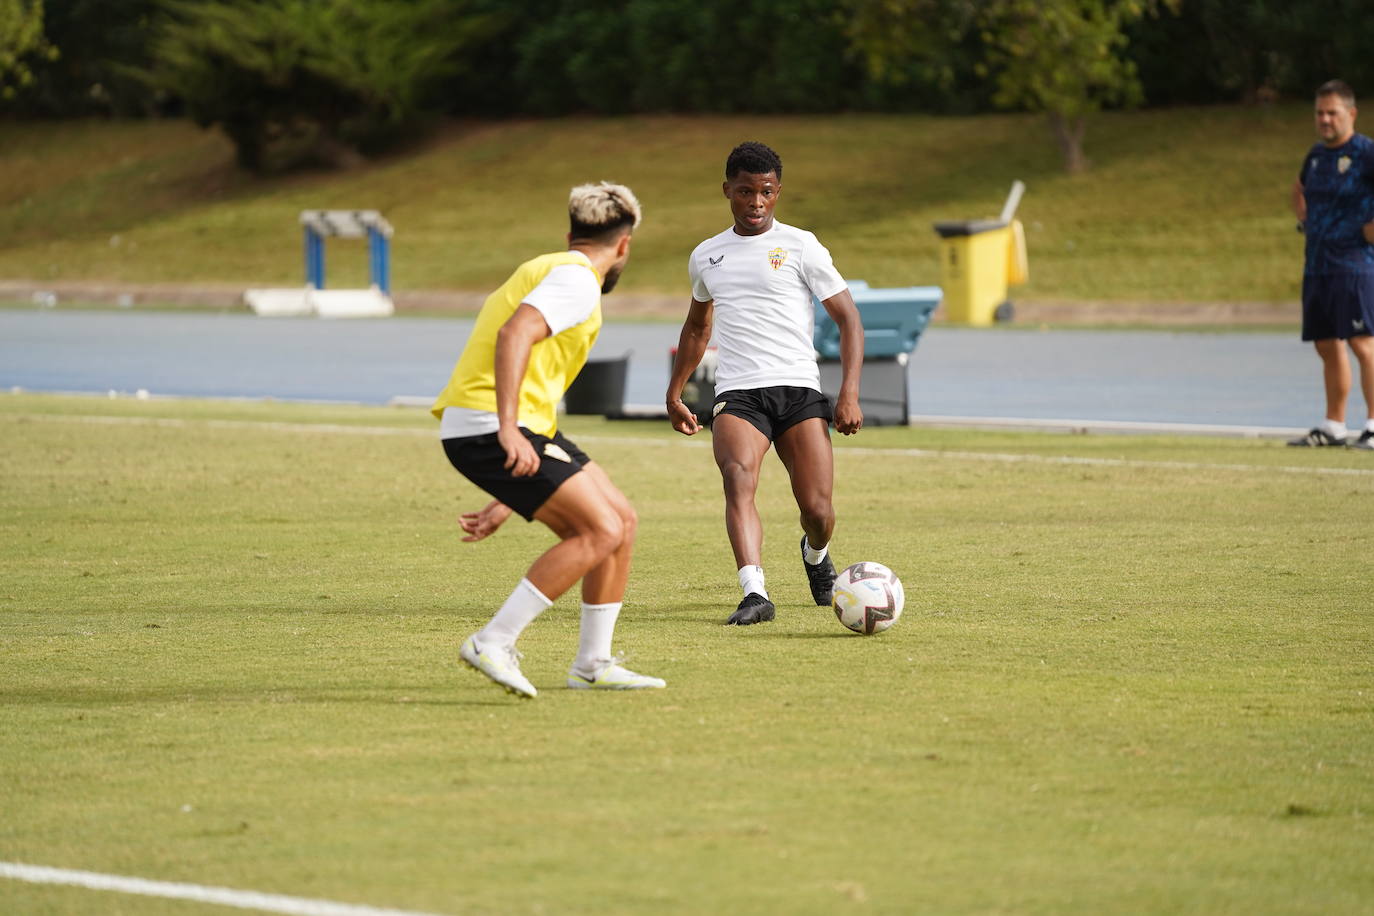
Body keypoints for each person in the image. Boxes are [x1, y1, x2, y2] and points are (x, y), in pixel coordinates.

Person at [432, 182, 665, 697]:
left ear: (570, 236)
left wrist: (507, 495)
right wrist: (508, 428)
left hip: (517, 427)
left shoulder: (549, 268)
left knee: (621, 521)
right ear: (624, 245)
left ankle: (593, 664)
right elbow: (516, 334)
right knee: (598, 530)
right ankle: (493, 641)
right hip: (490, 425)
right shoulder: (578, 282)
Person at [666, 141, 865, 625]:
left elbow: (849, 321)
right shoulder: (707, 256)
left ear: (777, 193)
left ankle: (815, 556)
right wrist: (675, 392)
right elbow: (697, 329)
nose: (756, 202)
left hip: (798, 390)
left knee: (818, 510)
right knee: (738, 478)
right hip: (739, 394)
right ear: (727, 192)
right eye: (746, 192)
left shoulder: (802, 245)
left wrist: (849, 392)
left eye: (766, 192)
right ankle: (755, 592)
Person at [1289, 79, 1374, 450]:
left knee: (1363, 343)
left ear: (1351, 114)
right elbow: (1300, 186)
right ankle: (1334, 425)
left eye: (1332, 113)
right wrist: (1305, 220)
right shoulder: (1316, 156)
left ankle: (1373, 425)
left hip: (1355, 264)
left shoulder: (1366, 153)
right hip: (1318, 265)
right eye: (1319, 113)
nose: (1324, 119)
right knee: (1326, 344)